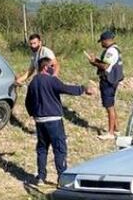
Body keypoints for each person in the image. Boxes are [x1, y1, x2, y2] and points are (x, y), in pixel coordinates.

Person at [25, 57, 96, 185]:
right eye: (52, 66)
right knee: (59, 148)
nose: (54, 68)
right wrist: (83, 89)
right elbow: (66, 88)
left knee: (42, 149)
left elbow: (28, 102)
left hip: (40, 121)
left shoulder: (33, 82)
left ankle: (41, 177)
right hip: (54, 121)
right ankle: (62, 177)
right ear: (45, 67)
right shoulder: (52, 80)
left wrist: (33, 114)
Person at [86, 30, 124, 140]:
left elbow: (105, 66)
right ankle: (116, 130)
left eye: (102, 41)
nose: (101, 44)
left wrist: (94, 63)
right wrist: (97, 60)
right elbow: (107, 64)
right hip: (113, 81)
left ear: (106, 40)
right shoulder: (116, 49)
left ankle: (110, 133)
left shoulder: (110, 51)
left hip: (108, 81)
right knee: (111, 105)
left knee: (109, 107)